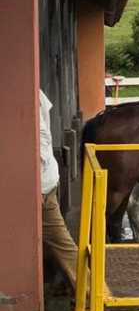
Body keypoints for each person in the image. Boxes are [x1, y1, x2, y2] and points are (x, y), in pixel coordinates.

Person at [39, 89, 78, 288]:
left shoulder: (24, 94)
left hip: (42, 186)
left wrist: (35, 185)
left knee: (61, 242)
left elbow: (41, 138)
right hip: (46, 180)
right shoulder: (33, 93)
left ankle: (94, 292)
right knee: (60, 243)